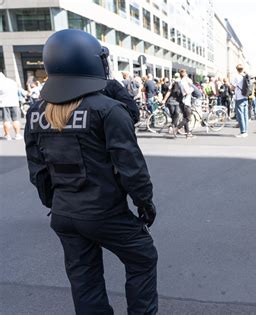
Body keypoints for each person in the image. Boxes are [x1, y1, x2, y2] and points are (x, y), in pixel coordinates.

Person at [24, 29, 158, 314]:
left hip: (63, 214)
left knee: (84, 279)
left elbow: (37, 166)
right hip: (104, 213)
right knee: (143, 258)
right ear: (93, 62)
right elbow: (131, 166)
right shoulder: (108, 110)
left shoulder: (36, 111)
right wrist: (144, 203)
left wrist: (54, 201)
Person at [0, 73, 23, 140]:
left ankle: (7, 135)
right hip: (14, 102)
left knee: (6, 120)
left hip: (4, 104)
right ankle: (17, 135)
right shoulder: (12, 81)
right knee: (16, 120)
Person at [162, 72, 183, 138]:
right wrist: (164, 100)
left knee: (176, 114)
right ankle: (174, 127)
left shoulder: (181, 83)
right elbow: (169, 91)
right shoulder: (173, 83)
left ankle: (173, 127)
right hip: (171, 101)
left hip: (177, 102)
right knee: (174, 115)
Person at [231, 64, 249, 137]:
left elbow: (232, 87)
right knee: (245, 115)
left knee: (240, 115)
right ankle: (246, 131)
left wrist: (232, 87)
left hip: (239, 97)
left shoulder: (236, 76)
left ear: (237, 69)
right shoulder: (245, 76)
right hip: (245, 96)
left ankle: (243, 132)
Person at [178, 69, 195, 139]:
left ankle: (188, 134)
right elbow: (187, 92)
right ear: (185, 74)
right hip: (186, 102)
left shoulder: (181, 81)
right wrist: (192, 89)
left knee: (185, 118)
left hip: (184, 101)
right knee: (188, 118)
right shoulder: (184, 82)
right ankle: (177, 128)